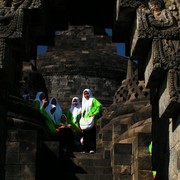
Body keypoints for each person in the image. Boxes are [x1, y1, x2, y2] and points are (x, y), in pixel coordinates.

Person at [81, 88, 102, 153]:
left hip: (91, 119)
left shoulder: (93, 100)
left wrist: (94, 113)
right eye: (85, 94)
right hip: (85, 120)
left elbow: (99, 106)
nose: (86, 95)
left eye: (87, 93)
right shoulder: (84, 102)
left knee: (91, 134)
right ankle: (85, 149)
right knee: (85, 135)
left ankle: (92, 149)